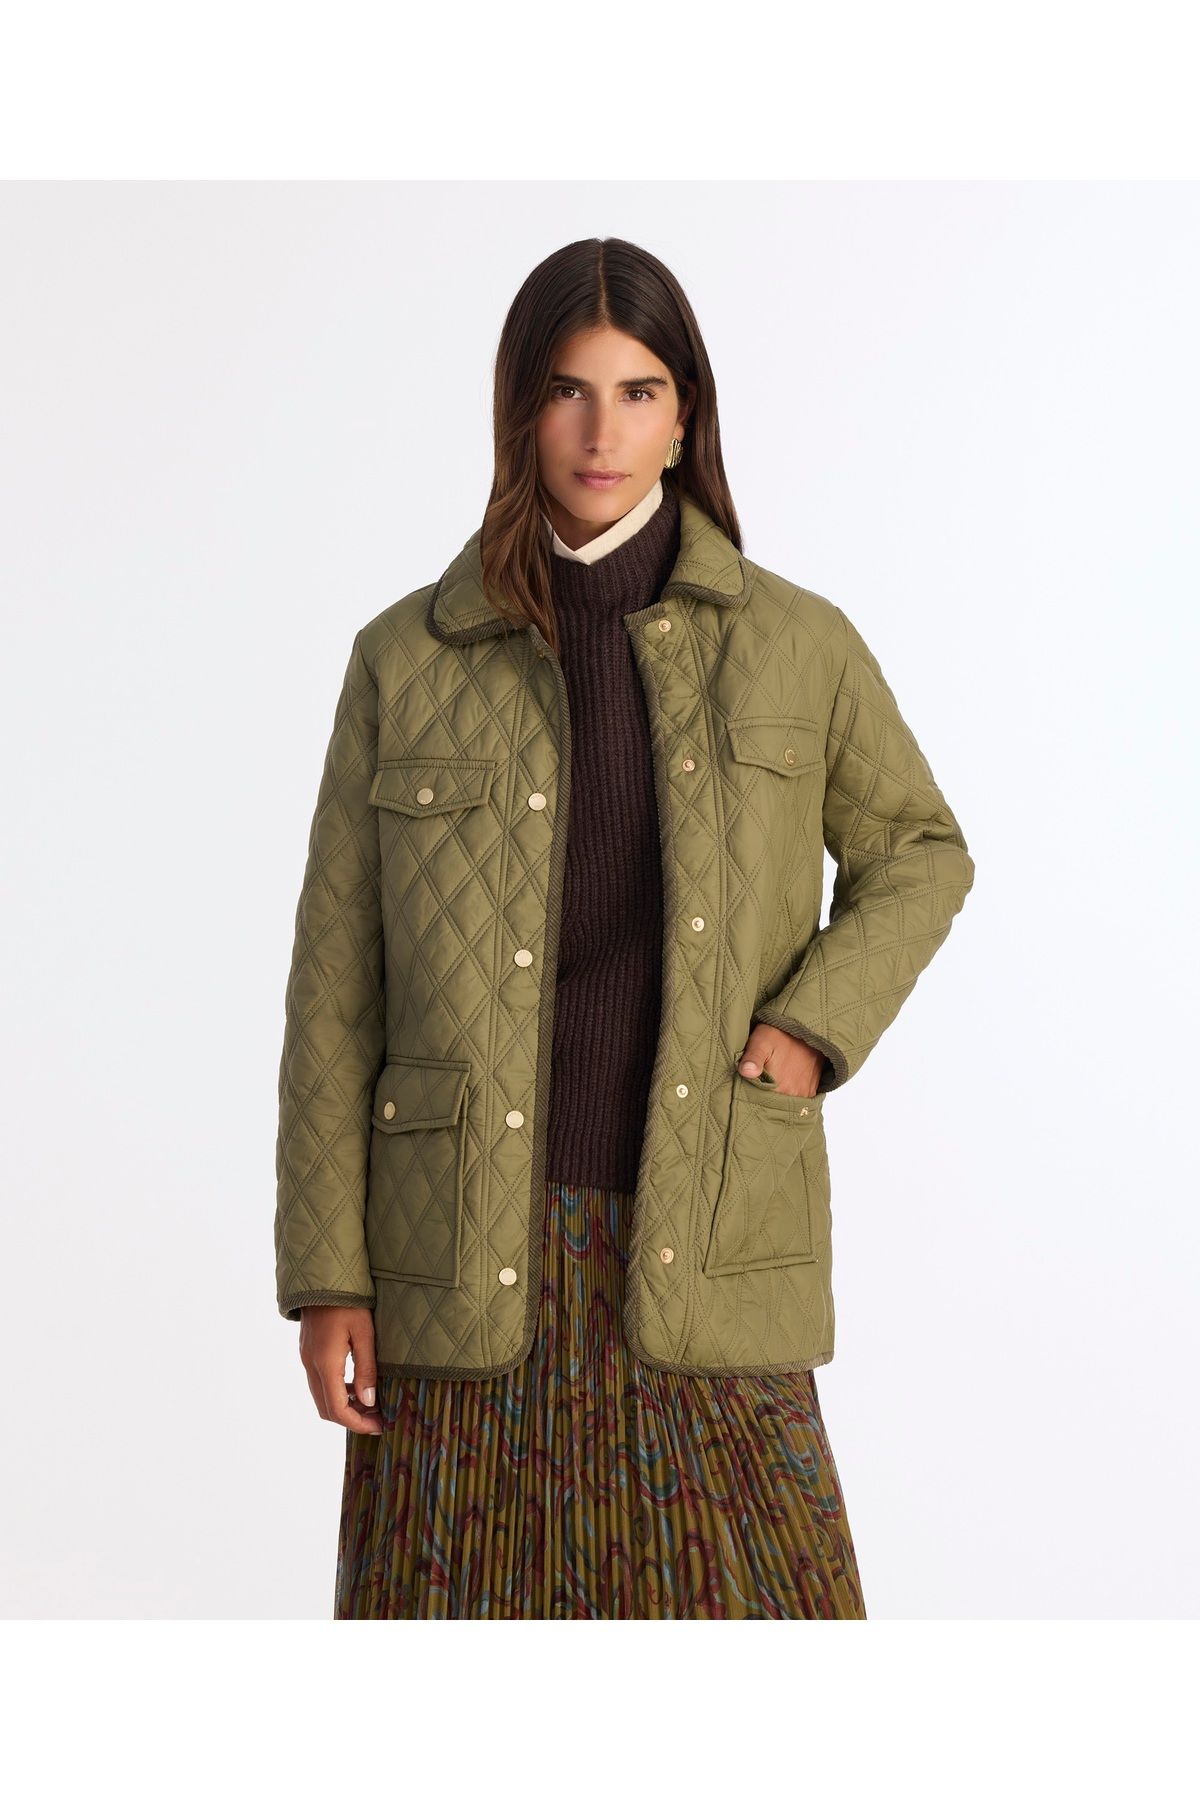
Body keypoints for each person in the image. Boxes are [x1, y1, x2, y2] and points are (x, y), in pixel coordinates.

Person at [274, 236, 975, 1619]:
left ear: (686, 412)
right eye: (568, 392)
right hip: (456, 1250)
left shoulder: (796, 643)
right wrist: (325, 1278)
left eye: (640, 392)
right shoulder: (406, 659)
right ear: (518, 410)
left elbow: (920, 853)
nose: (603, 434)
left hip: (708, 1227)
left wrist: (808, 1029)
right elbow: (334, 990)